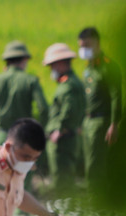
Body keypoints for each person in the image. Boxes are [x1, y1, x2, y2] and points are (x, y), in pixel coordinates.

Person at [77, 27, 123, 189]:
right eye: (81, 46)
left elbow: (116, 96)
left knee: (95, 166)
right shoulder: (88, 68)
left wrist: (114, 123)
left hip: (101, 122)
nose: (83, 50)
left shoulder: (109, 67)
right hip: (88, 121)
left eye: (86, 45)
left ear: (97, 43)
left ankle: (97, 206)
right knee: (89, 163)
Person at [42, 43, 86, 192]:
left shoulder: (68, 86)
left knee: (62, 180)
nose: (51, 70)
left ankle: (64, 212)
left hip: (62, 139)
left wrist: (59, 130)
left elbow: (69, 110)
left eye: (52, 66)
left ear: (60, 64)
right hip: (68, 137)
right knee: (65, 178)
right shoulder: (73, 83)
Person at [0, 41, 49, 148]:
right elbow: (43, 109)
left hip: (1, 137)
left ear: (6, 61)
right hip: (23, 138)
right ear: (25, 59)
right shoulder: (31, 80)